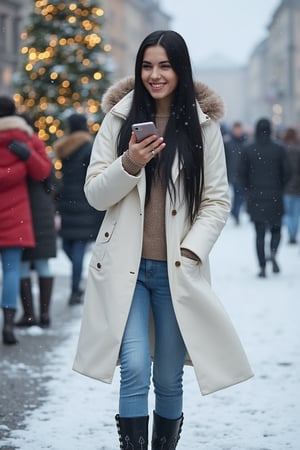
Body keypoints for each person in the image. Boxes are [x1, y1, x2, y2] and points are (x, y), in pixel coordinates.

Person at [73, 30, 253, 449]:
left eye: (165, 66)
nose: (155, 75)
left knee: (169, 376)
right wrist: (130, 163)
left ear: (180, 69)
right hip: (125, 269)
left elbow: (216, 201)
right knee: (134, 367)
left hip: (176, 272)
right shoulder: (118, 119)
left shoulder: (203, 126)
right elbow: (94, 193)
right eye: (147, 65)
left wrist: (192, 250)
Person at [0, 96, 52, 344]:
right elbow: (43, 171)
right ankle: (8, 325)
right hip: (15, 215)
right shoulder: (26, 138)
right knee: (11, 271)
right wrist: (27, 156)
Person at [53, 113, 104, 305]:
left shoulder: (65, 149)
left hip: (70, 203)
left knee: (72, 246)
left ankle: (75, 288)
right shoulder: (89, 148)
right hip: (83, 202)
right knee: (75, 248)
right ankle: (76, 289)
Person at [15, 113, 58, 328]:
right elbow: (49, 181)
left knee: (22, 263)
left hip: (19, 209)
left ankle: (29, 314)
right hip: (40, 209)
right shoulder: (38, 146)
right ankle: (44, 314)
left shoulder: (14, 146)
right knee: (42, 263)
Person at [239, 118, 292, 278]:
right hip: (275, 196)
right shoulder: (279, 149)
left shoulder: (248, 149)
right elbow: (288, 172)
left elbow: (241, 173)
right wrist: (280, 187)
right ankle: (274, 252)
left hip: (256, 197)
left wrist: (249, 189)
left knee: (259, 233)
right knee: (276, 230)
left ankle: (262, 266)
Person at [224, 121, 247, 225]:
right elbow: (224, 159)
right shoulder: (228, 143)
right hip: (231, 173)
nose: (238, 131)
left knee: (240, 195)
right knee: (233, 195)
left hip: (241, 174)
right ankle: (235, 212)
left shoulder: (246, 143)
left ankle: (235, 212)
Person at [281, 127, 300, 244]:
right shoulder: (298, 149)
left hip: (286, 186)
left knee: (287, 212)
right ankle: (293, 235)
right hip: (298, 186)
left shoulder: (282, 149)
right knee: (296, 213)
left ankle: (290, 233)